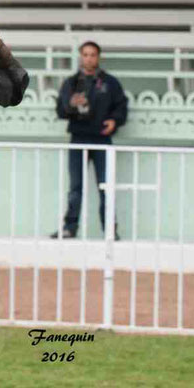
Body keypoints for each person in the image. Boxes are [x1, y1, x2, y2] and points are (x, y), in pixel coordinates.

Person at [51, 41, 128, 239]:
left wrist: (114, 121)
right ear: (80, 57)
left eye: (93, 54)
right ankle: (69, 228)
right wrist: (71, 104)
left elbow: (121, 107)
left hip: (102, 140)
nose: (89, 58)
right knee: (75, 187)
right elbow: (60, 110)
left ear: (98, 57)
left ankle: (110, 230)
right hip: (78, 139)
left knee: (106, 187)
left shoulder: (110, 82)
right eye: (85, 54)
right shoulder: (72, 82)